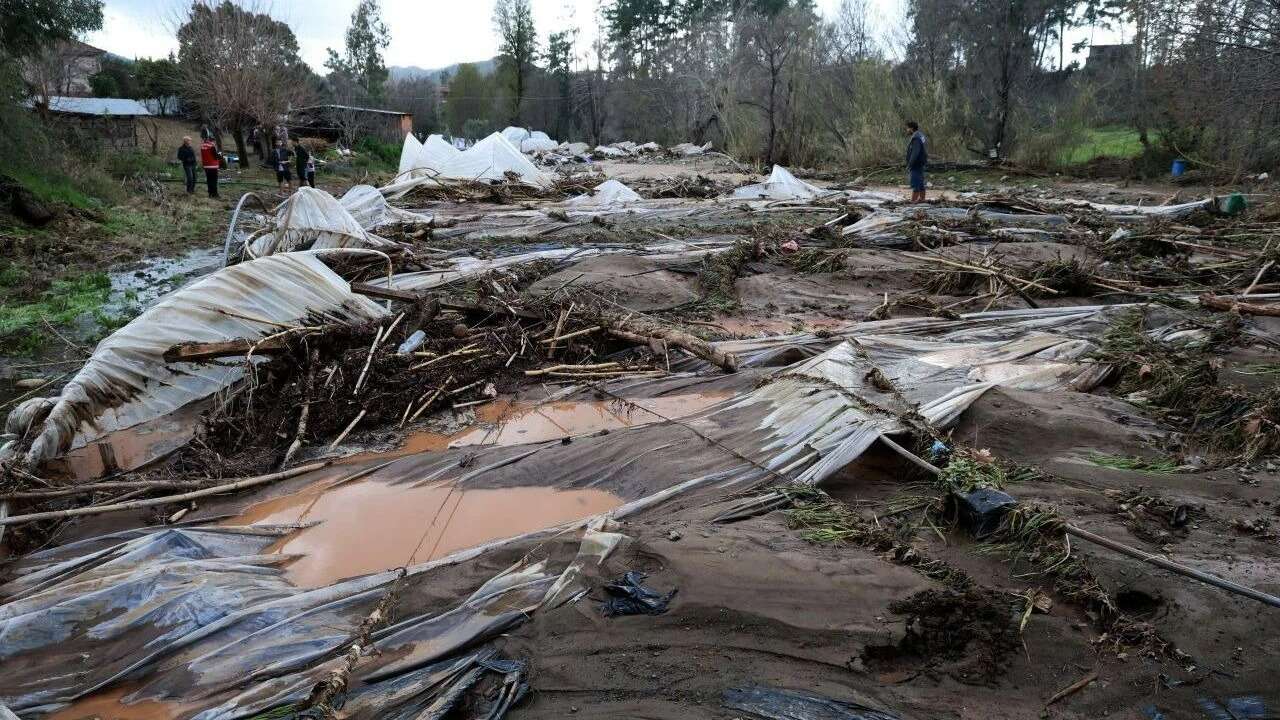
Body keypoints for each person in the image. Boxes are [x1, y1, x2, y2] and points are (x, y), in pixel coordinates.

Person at [905, 120, 928, 203]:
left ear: (911, 128)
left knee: (915, 182)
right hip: (921, 162)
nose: (906, 130)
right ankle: (922, 199)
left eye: (907, 128)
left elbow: (915, 152)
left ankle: (913, 201)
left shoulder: (916, 138)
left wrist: (910, 164)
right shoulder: (921, 135)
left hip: (916, 163)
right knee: (921, 182)